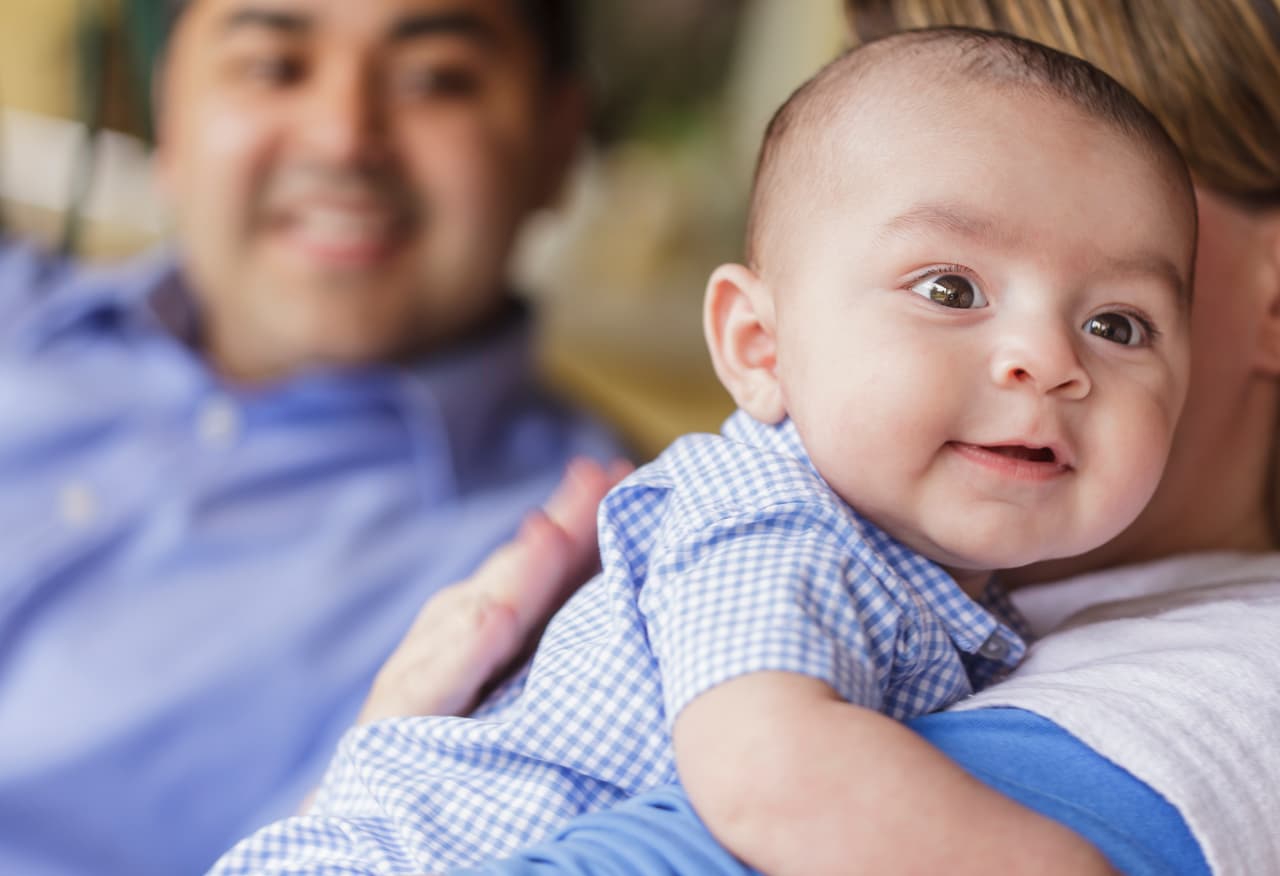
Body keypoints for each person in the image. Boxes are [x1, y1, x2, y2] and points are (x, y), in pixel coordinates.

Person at [211, 26, 1198, 875]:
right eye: (948, 290)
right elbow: (770, 773)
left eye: (1116, 324)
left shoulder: (989, 597)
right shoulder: (768, 516)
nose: (1047, 360)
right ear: (756, 348)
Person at [0, 1, 623, 874]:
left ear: (559, 141)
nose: (342, 139)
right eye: (274, 67)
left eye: (435, 79)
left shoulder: (601, 581)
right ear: (168, 114)